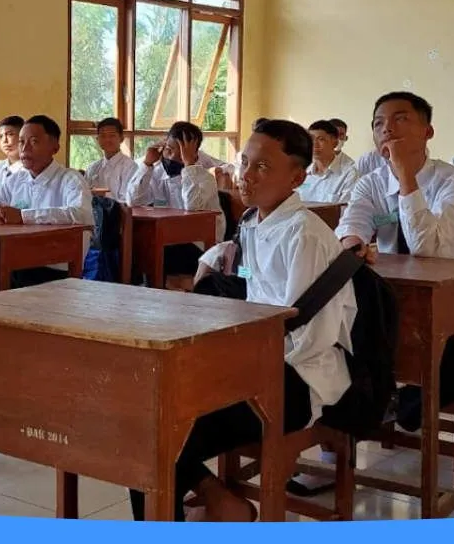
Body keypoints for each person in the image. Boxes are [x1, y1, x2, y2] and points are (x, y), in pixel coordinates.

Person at [130, 119, 357, 522]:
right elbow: (256, 285)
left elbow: (307, 333)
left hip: (297, 379)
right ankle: (217, 496)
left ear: (297, 176)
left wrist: (235, 362)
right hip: (255, 365)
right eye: (244, 162)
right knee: (143, 416)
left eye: (263, 167)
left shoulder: (302, 234)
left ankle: (205, 503)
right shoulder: (254, 222)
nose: (246, 175)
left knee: (158, 434)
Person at [334, 92, 454, 440]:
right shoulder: (369, 183)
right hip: (389, 295)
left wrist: (404, 179)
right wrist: (353, 245)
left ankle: (392, 401)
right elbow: (352, 225)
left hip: (453, 302)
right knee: (342, 335)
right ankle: (358, 413)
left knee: (445, 361)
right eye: (379, 123)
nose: (388, 129)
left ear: (428, 131)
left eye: (400, 119)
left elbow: (425, 247)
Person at [0, 115, 93, 288]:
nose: (25, 148)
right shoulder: (17, 179)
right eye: (21, 142)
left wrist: (23, 216)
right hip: (16, 263)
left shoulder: (70, 179)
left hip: (55, 270)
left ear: (55, 147)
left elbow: (81, 214)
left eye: (34, 141)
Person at [125, 121, 226, 276]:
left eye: (182, 153)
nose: (173, 157)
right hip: (166, 238)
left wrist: (188, 165)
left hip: (199, 245)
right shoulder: (156, 172)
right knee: (133, 246)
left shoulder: (204, 178)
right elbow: (132, 200)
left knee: (162, 251)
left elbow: (192, 207)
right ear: (163, 147)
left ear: (195, 155)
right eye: (169, 150)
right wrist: (147, 164)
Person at [297, 120, 358, 203]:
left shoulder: (349, 173)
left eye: (321, 139)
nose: (315, 144)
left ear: (335, 143)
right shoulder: (301, 170)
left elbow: (346, 210)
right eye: (311, 139)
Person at [84, 117, 134, 202]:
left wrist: (104, 195)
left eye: (112, 135)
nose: (107, 140)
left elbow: (129, 200)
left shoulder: (130, 167)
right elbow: (84, 196)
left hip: (118, 214)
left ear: (121, 138)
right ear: (97, 139)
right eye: (103, 136)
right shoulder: (92, 168)